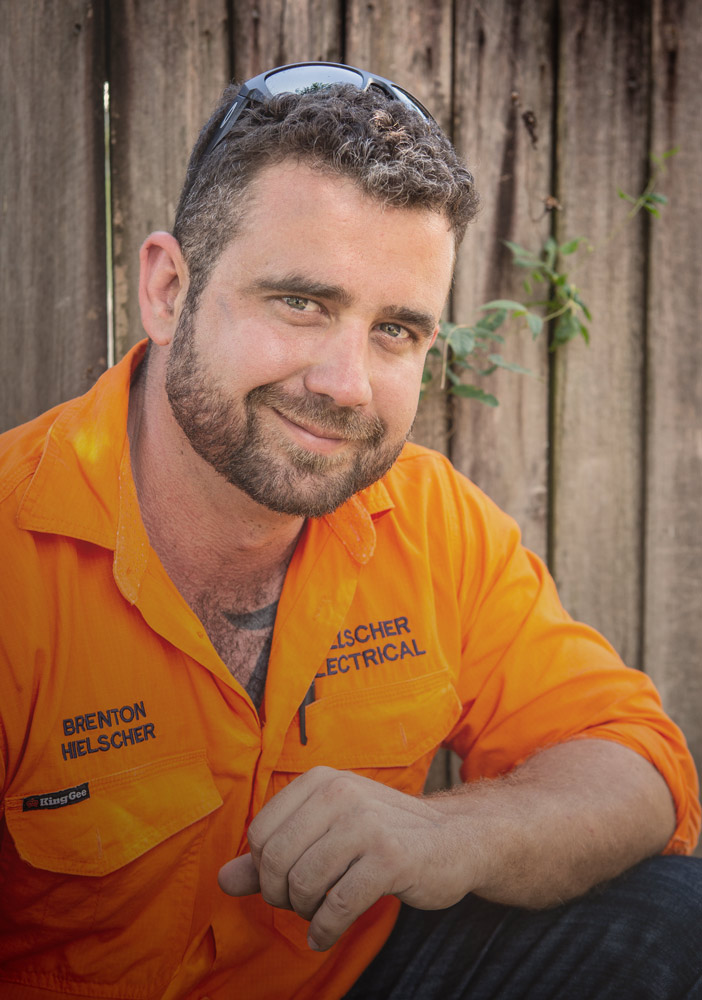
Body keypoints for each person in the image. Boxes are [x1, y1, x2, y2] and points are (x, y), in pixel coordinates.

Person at [0, 61, 700, 1000]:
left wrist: (452, 832)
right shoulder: (16, 559)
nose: (346, 383)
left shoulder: (429, 519)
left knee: (672, 918)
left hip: (357, 978)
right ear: (169, 290)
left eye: (396, 331)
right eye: (302, 303)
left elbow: (639, 766)